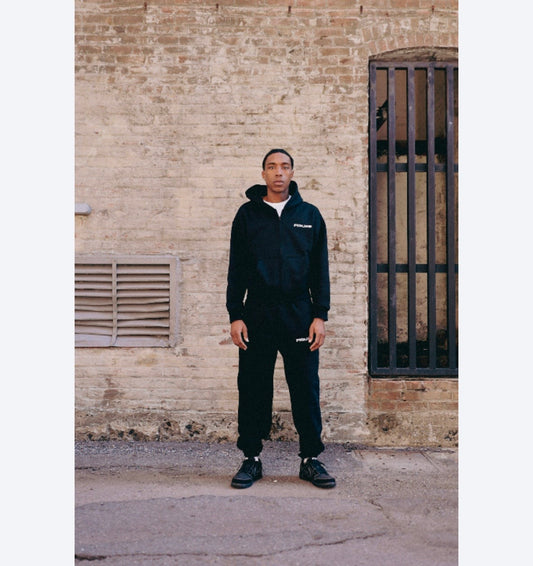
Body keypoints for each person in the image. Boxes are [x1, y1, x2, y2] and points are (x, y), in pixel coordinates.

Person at [226, 149, 335, 489]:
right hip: (257, 313)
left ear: (292, 173)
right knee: (253, 386)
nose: (278, 172)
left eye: (284, 167)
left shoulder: (309, 215)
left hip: (299, 314)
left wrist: (319, 315)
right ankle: (251, 458)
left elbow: (320, 269)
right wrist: (236, 315)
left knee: (305, 386)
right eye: (272, 167)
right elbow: (236, 269)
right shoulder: (247, 215)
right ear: (263, 173)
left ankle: (310, 459)